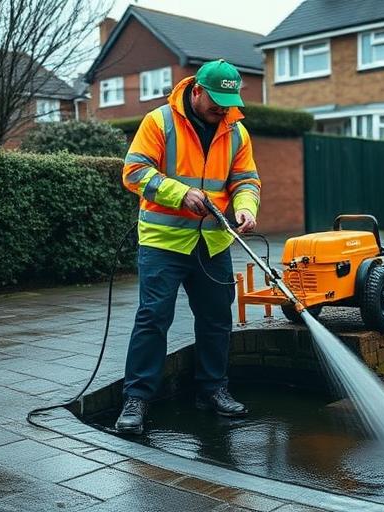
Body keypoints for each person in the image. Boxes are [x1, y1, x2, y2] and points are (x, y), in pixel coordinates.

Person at [116, 59, 261, 434]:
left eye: (228, 102)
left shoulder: (236, 132)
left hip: (213, 241)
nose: (221, 109)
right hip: (163, 241)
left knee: (216, 319)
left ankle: (213, 390)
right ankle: (137, 399)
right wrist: (179, 193)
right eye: (215, 101)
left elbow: (247, 180)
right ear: (196, 90)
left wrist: (245, 209)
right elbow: (134, 172)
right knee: (153, 318)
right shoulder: (159, 122)